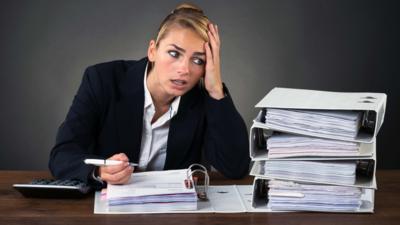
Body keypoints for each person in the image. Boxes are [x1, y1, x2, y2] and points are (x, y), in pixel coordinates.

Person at [49, 3, 250, 188]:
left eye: (198, 60)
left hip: (174, 214)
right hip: (108, 208)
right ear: (152, 50)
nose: (184, 69)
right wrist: (99, 172)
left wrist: (215, 90)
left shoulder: (204, 100)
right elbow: (62, 155)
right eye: (174, 53)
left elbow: (236, 167)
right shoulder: (102, 81)